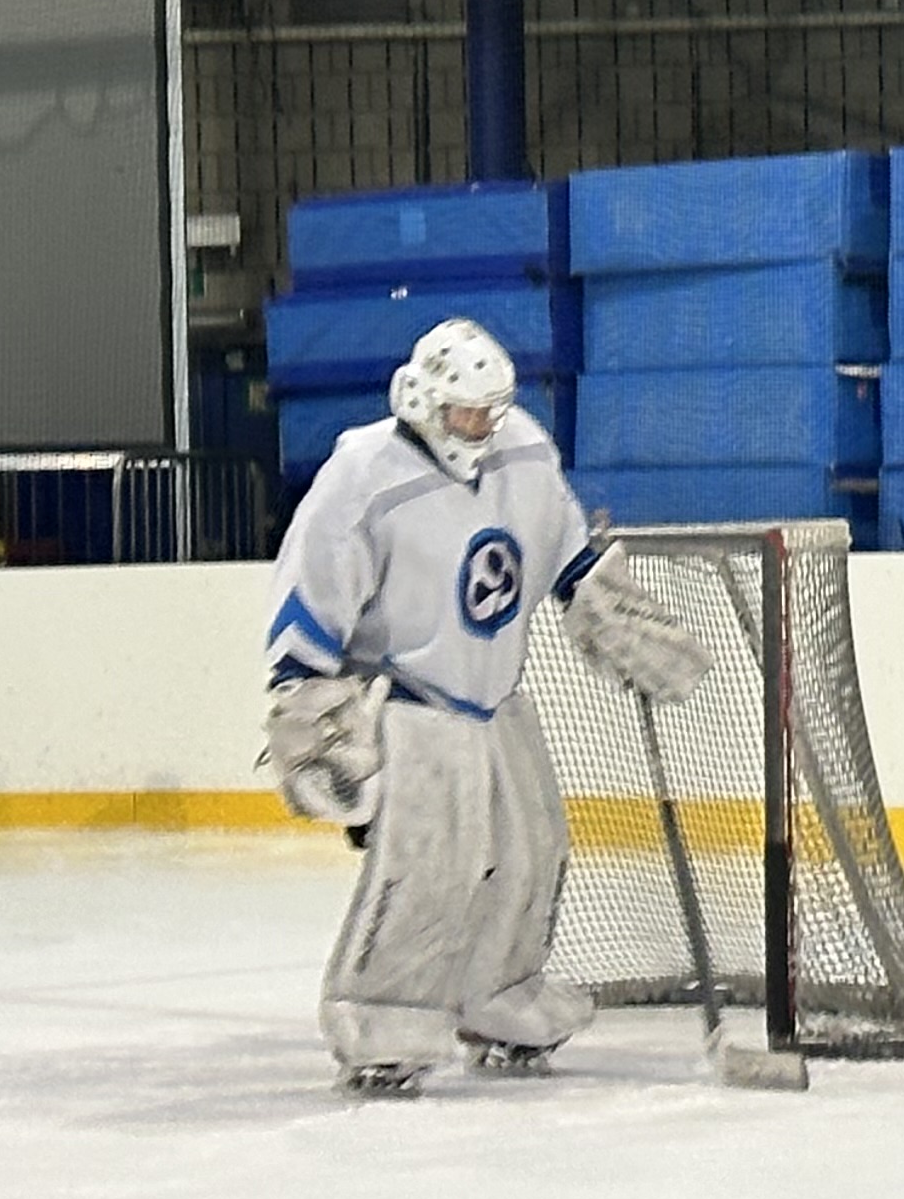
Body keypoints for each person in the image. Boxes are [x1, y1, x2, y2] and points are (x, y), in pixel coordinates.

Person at [264, 318, 703, 1093]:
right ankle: (382, 1022)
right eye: (468, 412)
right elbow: (312, 592)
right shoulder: (363, 473)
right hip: (415, 707)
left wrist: (608, 610)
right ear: (424, 400)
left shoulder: (522, 449)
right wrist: (306, 698)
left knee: (534, 853)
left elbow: (565, 548)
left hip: (499, 700)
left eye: (493, 410)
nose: (483, 425)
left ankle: (500, 999)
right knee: (429, 871)